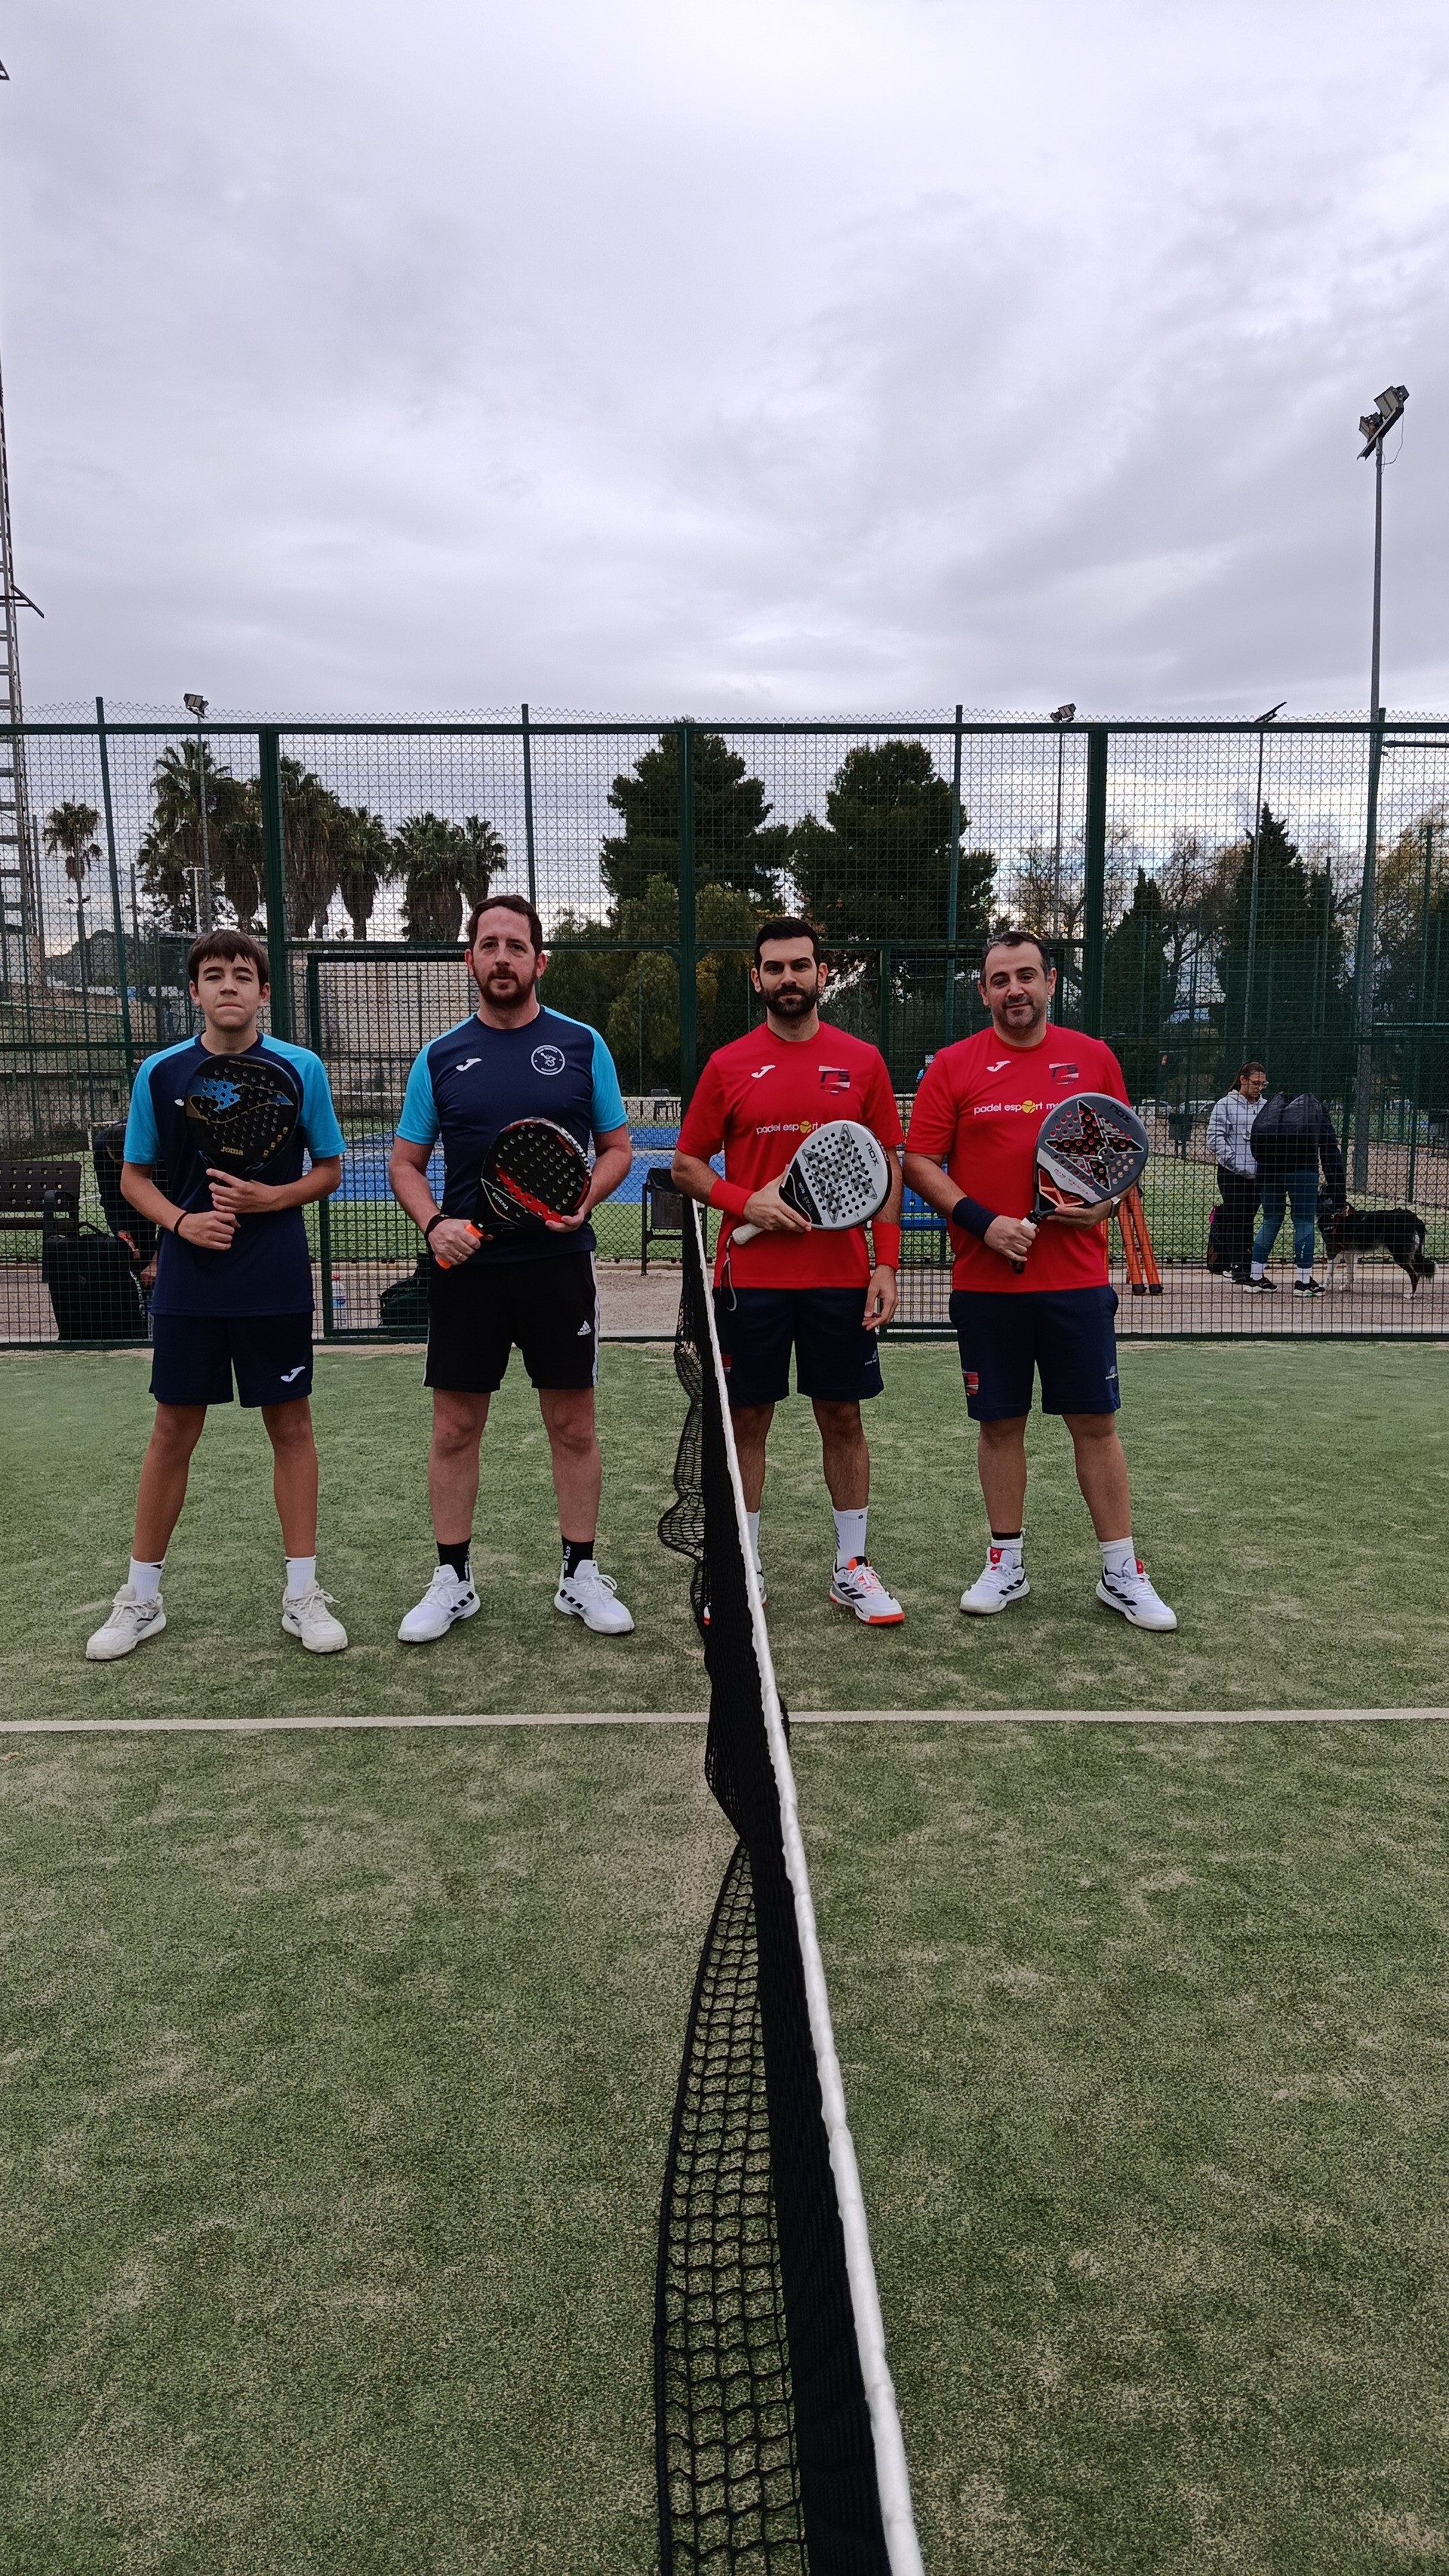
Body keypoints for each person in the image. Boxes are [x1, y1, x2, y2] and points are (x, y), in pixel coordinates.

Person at [86, 930, 349, 1661]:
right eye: (213, 974)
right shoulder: (160, 1072)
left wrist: (271, 1198)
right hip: (189, 1282)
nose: (228, 984)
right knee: (173, 1430)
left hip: (274, 1278)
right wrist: (181, 1223)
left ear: (264, 992)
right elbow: (135, 1176)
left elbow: (329, 1168)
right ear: (195, 992)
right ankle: (140, 1599)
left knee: (290, 1427)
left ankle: (303, 1595)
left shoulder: (301, 1068)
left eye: (241, 974)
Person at [903, 928, 1177, 1631]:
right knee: (1000, 1425)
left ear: (1050, 982)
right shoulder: (954, 1067)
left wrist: (1104, 1208)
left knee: (1095, 1424)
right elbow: (921, 1162)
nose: (1014, 990)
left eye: (1026, 975)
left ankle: (1122, 1572)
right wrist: (984, 1223)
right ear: (983, 992)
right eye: (1000, 980)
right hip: (987, 1286)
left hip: (1075, 1285)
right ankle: (1006, 1564)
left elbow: (1121, 1154)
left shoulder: (1093, 1058)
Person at [388, 893, 636, 1640]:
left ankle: (579, 1574)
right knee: (455, 1428)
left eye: (516, 946)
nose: (502, 958)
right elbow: (405, 1163)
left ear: (540, 961)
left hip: (559, 1266)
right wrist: (435, 1225)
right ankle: (453, 1580)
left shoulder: (583, 1045)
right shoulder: (439, 1057)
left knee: (574, 1425)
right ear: (470, 959)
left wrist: (585, 1200)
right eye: (489, 945)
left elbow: (617, 1148)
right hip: (469, 1273)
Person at [671, 918, 906, 1623]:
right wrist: (747, 1203)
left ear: (822, 974)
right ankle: (743, 1568)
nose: (788, 979)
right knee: (747, 1420)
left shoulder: (862, 1062)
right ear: (757, 979)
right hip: (749, 1282)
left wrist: (886, 1263)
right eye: (774, 968)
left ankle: (852, 1568)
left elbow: (887, 1167)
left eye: (800, 965)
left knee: (843, 1416)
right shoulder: (728, 1065)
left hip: (840, 1281)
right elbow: (686, 1165)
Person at [1241, 1087, 1345, 1299]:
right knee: (1303, 1221)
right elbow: (1330, 1154)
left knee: (1271, 1219)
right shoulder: (1317, 1110)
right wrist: (1339, 1195)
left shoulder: (1272, 1108)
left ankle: (1255, 1277)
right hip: (1303, 1171)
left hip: (1268, 1171)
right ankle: (1304, 1282)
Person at [1205, 1061, 1267, 1285]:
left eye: (1263, 1084)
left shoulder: (1266, 1106)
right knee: (1236, 1216)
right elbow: (1215, 1139)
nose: (1259, 1088)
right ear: (1243, 1079)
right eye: (1255, 1083)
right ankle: (1237, 1266)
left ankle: (1246, 1263)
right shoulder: (1225, 1105)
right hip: (1232, 1173)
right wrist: (1236, 1162)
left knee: (1248, 1218)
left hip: (1258, 1174)